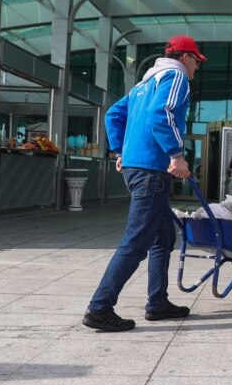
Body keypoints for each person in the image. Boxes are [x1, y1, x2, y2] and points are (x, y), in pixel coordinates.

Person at [82, 35, 205, 332]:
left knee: (163, 238)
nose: (197, 68)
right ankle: (99, 308)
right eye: (197, 61)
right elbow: (161, 114)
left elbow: (113, 115)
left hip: (138, 168)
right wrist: (177, 155)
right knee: (137, 242)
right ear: (186, 57)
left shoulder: (143, 84)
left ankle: (157, 303)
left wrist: (120, 151)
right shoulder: (176, 76)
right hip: (152, 169)